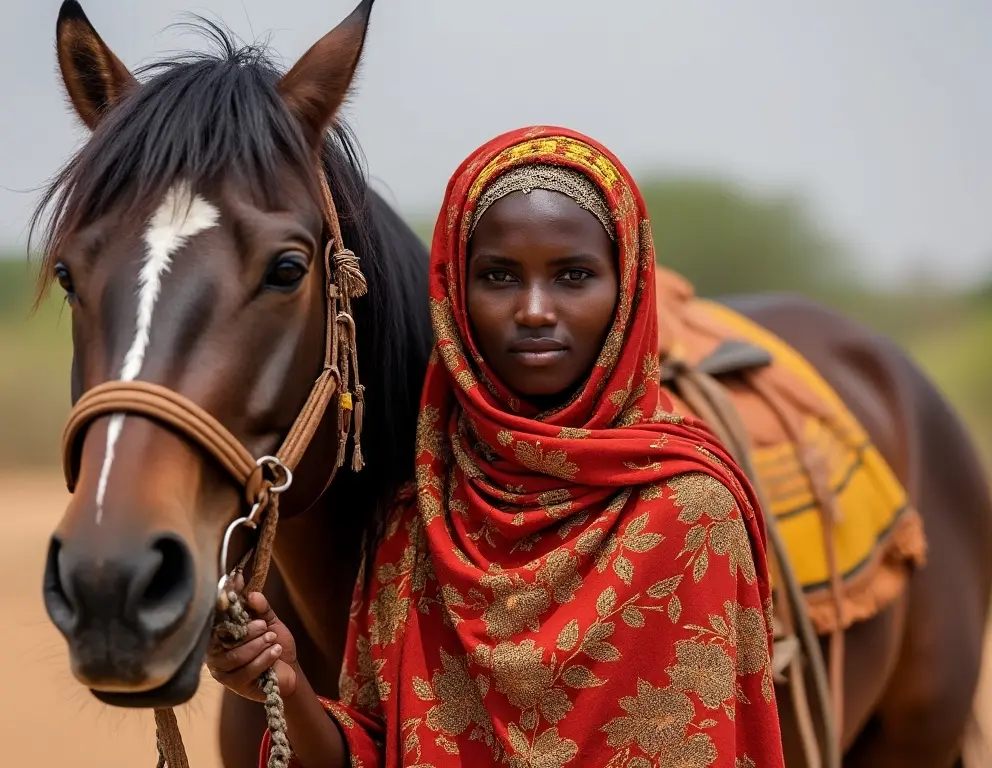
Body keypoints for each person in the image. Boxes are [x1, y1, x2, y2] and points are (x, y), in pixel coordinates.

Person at [207, 125, 786, 768]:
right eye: (499, 276)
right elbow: (376, 752)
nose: (535, 309)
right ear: (455, 293)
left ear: (627, 290)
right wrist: (287, 688)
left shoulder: (691, 511)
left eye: (573, 275)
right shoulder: (418, 516)